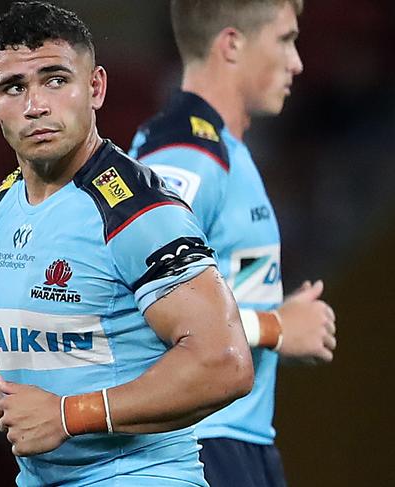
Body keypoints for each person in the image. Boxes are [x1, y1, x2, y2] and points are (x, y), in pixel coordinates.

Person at [0, 2, 253, 486]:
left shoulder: (138, 211)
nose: (37, 105)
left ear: (95, 87)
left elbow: (225, 363)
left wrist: (72, 415)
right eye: (15, 87)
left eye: (55, 79)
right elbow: (13, 348)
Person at [129, 1, 337, 486]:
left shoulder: (222, 149)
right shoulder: (186, 155)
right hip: (199, 446)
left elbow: (196, 293)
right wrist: (278, 327)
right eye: (285, 39)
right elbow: (138, 313)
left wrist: (270, 312)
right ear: (231, 44)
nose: (297, 61)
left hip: (238, 442)